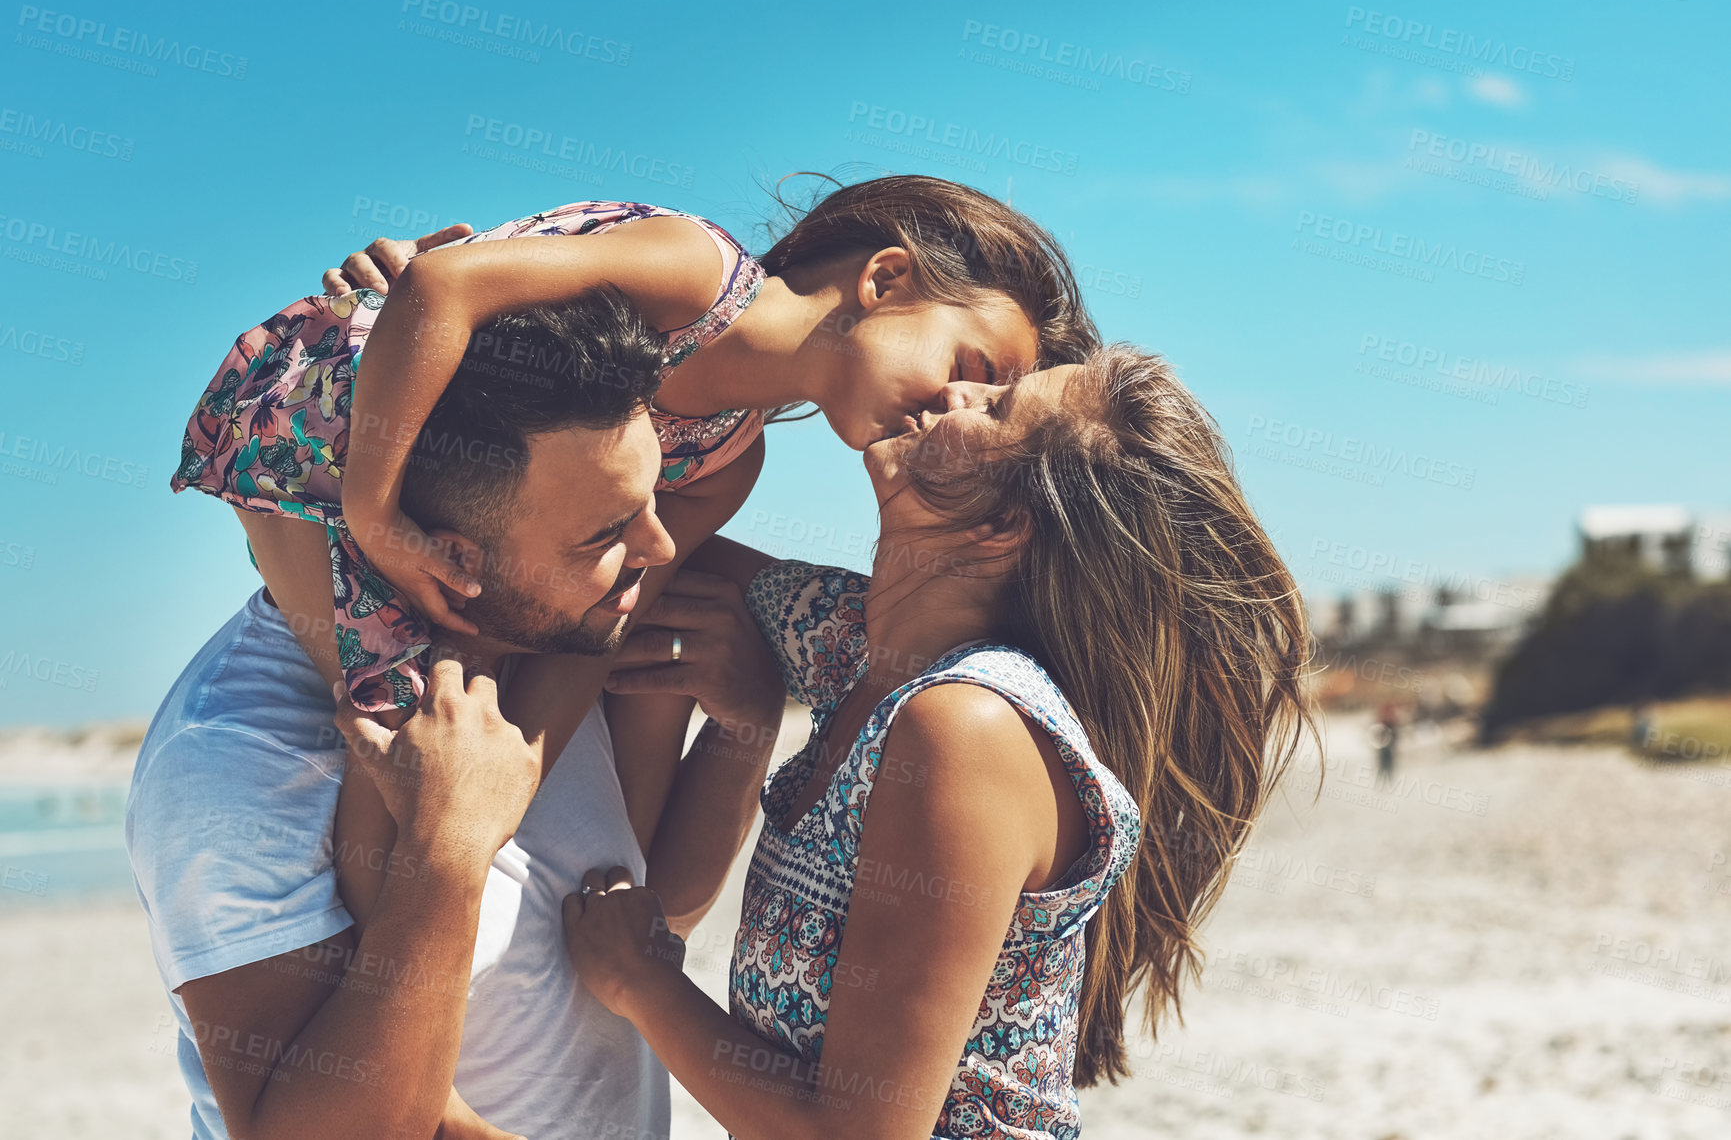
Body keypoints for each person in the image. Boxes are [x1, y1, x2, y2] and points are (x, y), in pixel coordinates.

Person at [172, 176, 1099, 938]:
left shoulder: (730, 459)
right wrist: (374, 517)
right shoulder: (696, 270)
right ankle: (381, 1000)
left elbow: (601, 628)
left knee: (427, 744)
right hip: (319, 428)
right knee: (388, 709)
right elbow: (443, 285)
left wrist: (510, 779)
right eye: (975, 368)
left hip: (449, 517)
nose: (958, 412)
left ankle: (407, 975)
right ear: (886, 279)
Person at [567, 344, 1317, 1138]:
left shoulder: (966, 724)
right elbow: (659, 549)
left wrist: (641, 980)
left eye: (996, 407)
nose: (956, 388)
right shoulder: (853, 646)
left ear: (999, 526)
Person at [129, 289, 705, 1140]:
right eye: (605, 535)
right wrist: (446, 848)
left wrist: (740, 733)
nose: (658, 551)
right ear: (453, 556)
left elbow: (627, 919)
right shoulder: (234, 754)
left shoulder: (544, 637)